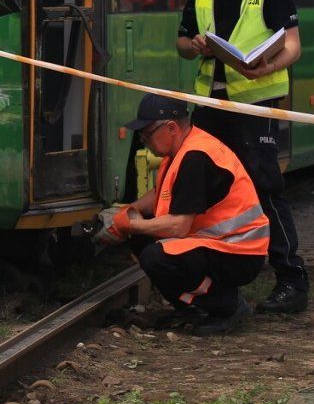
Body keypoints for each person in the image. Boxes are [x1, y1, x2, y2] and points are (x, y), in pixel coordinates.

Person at [175, 0, 308, 314]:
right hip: (211, 103)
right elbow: (181, 42)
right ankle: (217, 282)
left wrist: (267, 67)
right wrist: (194, 45)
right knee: (210, 189)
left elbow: (293, 45)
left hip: (255, 103)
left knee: (265, 186)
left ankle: (291, 279)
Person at [100, 94, 269, 335]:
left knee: (156, 257)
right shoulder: (184, 149)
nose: (143, 140)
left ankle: (226, 305)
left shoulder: (195, 157)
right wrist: (127, 211)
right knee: (144, 242)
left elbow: (179, 226)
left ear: (171, 128)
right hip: (222, 244)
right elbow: (160, 193)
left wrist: (129, 225)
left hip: (239, 251)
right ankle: (192, 307)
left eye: (147, 134)